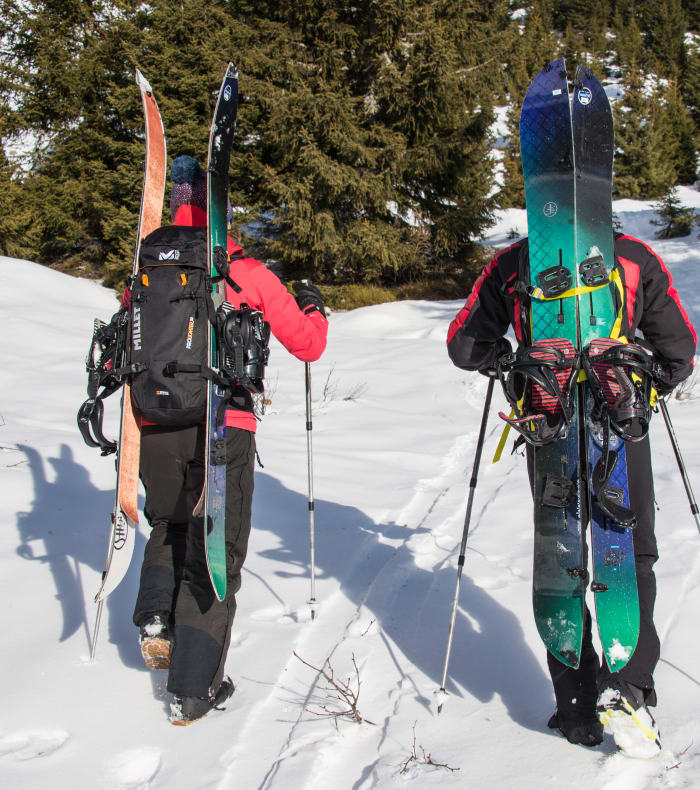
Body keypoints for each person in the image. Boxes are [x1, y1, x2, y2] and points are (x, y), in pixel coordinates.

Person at [446, 232, 696, 752]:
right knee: (630, 552)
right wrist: (652, 377)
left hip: (549, 419)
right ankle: (629, 687)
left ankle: (577, 707)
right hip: (619, 424)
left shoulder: (514, 262)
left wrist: (506, 358)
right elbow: (681, 351)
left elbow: (465, 346)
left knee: (561, 558)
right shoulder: (631, 257)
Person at [130, 155, 328, 724]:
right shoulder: (241, 269)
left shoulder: (148, 267)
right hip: (223, 427)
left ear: (177, 205)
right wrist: (313, 307)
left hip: (155, 423)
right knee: (214, 553)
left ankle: (155, 617)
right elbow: (308, 344)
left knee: (168, 523)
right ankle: (195, 689)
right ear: (224, 212)